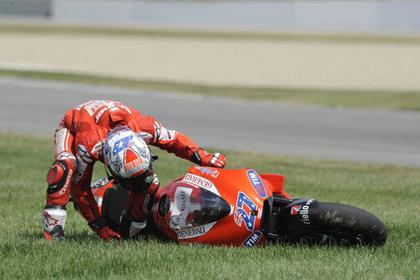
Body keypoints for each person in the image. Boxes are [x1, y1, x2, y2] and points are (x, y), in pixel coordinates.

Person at [43, 100, 226, 241]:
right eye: (131, 180)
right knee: (64, 169)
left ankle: (132, 227)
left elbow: (175, 140)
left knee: (149, 182)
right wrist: (101, 229)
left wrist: (204, 157)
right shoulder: (89, 146)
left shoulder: (144, 127)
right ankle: (52, 232)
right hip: (74, 125)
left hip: (111, 125)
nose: (139, 184)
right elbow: (81, 192)